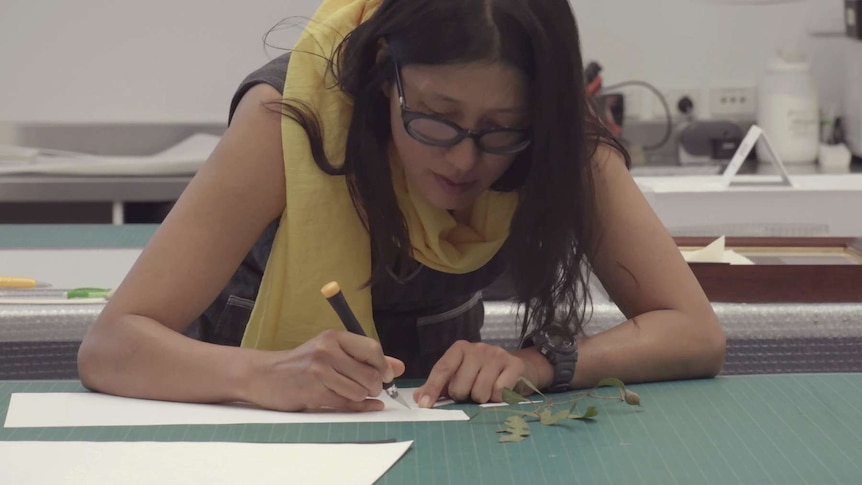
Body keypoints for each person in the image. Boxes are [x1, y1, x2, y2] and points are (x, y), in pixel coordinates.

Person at [77, 0, 725, 413]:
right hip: (240, 407)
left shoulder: (559, 138)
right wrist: (265, 373)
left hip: (437, 423)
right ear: (386, 74)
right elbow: (110, 345)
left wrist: (537, 363)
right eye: (438, 120)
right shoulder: (290, 119)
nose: (465, 160)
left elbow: (695, 331)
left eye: (502, 129)